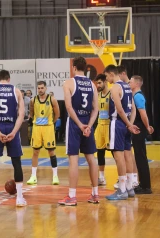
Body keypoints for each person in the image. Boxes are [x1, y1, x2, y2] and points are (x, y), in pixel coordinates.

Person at [58, 57, 99, 206]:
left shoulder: (68, 83)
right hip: (88, 122)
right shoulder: (92, 85)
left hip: (75, 123)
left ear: (74, 67)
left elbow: (69, 108)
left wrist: (80, 125)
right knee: (91, 159)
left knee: (73, 160)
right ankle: (95, 194)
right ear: (85, 68)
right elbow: (96, 109)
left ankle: (72, 196)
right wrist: (88, 125)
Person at [0, 69, 27, 207]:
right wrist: (14, 132)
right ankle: (19, 198)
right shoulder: (16, 91)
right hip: (12, 126)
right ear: (9, 79)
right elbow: (21, 115)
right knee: (16, 163)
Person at [104, 65, 140, 200]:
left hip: (117, 124)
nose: (107, 79)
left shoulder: (115, 88)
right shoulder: (127, 87)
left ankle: (122, 189)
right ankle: (130, 187)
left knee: (119, 157)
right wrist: (130, 124)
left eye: (107, 76)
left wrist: (128, 124)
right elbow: (134, 109)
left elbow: (119, 110)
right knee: (128, 155)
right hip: (126, 125)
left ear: (111, 74)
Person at [26, 81, 60, 185]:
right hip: (37, 128)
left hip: (48, 128)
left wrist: (51, 123)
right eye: (39, 88)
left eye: (42, 88)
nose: (40, 90)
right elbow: (31, 112)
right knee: (35, 152)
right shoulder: (33, 100)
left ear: (45, 88)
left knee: (51, 152)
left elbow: (57, 114)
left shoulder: (52, 99)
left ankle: (55, 176)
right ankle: (33, 176)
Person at [130, 75, 154, 194]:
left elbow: (143, 115)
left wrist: (147, 127)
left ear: (137, 84)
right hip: (138, 128)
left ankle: (146, 187)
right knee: (139, 157)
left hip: (139, 129)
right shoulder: (135, 96)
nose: (129, 83)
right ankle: (143, 184)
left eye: (131, 82)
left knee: (141, 157)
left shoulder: (138, 96)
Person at [93, 74, 110, 186]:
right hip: (100, 125)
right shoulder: (97, 95)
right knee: (100, 152)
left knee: (115, 152)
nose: (97, 85)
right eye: (97, 83)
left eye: (99, 83)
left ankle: (121, 177)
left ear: (105, 82)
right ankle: (102, 177)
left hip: (109, 125)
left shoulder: (112, 94)